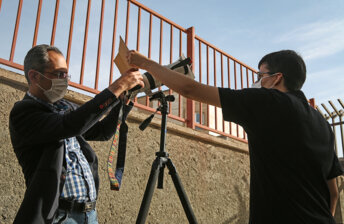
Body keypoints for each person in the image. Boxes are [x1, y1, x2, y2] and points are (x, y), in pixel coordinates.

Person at [128, 49, 343, 223]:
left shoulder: (267, 102)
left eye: (260, 76)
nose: (257, 81)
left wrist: (146, 63)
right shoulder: (322, 123)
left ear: (277, 79)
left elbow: (190, 89)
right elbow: (333, 192)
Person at [9, 44, 144, 224]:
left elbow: (103, 132)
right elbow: (71, 125)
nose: (65, 80)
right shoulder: (24, 113)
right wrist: (118, 86)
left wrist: (123, 101)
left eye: (67, 75)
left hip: (89, 214)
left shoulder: (64, 107)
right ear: (34, 76)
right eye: (59, 74)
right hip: (59, 216)